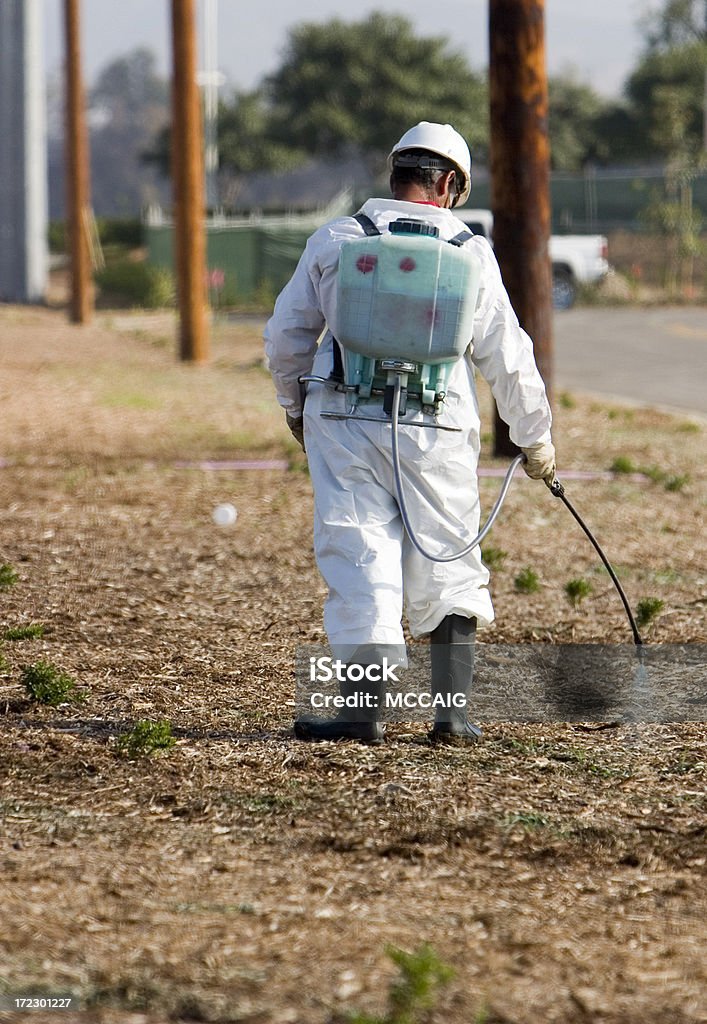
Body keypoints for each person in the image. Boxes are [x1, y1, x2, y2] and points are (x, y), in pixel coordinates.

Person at [264, 121, 555, 745]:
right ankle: (451, 716)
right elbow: (508, 354)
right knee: (449, 554)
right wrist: (536, 439)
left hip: (343, 419)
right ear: (449, 184)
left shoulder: (338, 239)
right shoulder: (470, 251)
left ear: (395, 174)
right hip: (438, 425)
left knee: (359, 553)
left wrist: (295, 406)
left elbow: (286, 336)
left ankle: (362, 712)